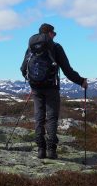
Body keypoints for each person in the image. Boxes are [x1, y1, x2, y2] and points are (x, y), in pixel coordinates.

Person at [20, 23, 87, 159]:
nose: (54, 36)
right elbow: (67, 70)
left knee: (39, 117)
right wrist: (81, 81)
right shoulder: (56, 47)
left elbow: (23, 69)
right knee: (51, 118)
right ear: (49, 33)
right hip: (51, 87)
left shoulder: (31, 48)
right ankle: (51, 150)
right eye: (54, 33)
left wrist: (34, 81)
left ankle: (40, 149)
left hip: (36, 88)